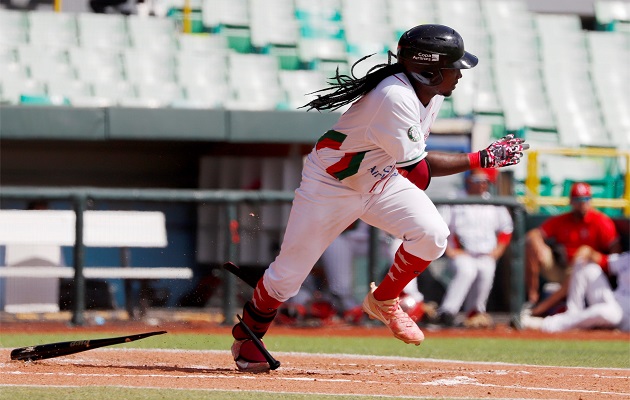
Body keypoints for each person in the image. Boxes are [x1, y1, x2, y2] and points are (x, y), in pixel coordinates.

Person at [229, 23, 528, 373]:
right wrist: (482, 159)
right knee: (286, 278)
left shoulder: (427, 95)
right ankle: (247, 336)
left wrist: (480, 158)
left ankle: (384, 299)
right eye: (453, 67)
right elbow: (420, 174)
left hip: (380, 178)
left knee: (433, 235)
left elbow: (413, 165)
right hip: (331, 185)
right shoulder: (395, 97)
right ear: (428, 71)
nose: (459, 75)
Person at [279, 220, 429, 325]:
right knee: (335, 242)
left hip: (386, 239)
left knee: (399, 245)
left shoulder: (393, 180)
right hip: (356, 238)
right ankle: (347, 304)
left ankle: (410, 300)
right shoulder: (346, 182)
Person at [431, 169, 513, 328]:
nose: (483, 185)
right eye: (479, 181)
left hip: (486, 253)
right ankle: (447, 312)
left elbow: (507, 228)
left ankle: (474, 312)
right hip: (462, 254)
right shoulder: (455, 199)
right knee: (466, 271)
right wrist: (449, 250)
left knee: (486, 271)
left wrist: (499, 250)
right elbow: (440, 226)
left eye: (485, 182)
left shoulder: (493, 202)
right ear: (469, 181)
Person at [524, 182, 621, 315]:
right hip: (562, 266)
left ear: (591, 200)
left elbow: (616, 256)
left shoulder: (600, 221)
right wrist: (538, 244)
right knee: (531, 243)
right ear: (571, 201)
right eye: (578, 200)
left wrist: (604, 267)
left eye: (585, 199)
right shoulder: (563, 219)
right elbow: (534, 234)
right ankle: (532, 297)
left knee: (582, 259)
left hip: (588, 271)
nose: (582, 203)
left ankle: (539, 310)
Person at [516, 246, 629, 332]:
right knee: (584, 263)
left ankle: (545, 324)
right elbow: (605, 262)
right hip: (614, 300)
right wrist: (589, 251)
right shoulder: (627, 258)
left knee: (605, 312)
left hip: (623, 314)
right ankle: (573, 312)